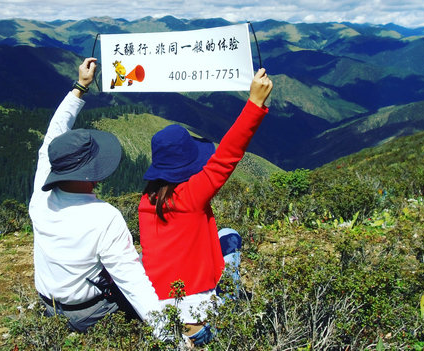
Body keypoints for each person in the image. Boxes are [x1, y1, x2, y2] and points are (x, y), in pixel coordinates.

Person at [138, 67, 273, 345]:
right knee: (230, 239)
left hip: (161, 320)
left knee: (222, 238)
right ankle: (231, 307)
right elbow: (228, 155)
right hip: (200, 326)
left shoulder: (147, 200)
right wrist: (255, 104)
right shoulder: (192, 195)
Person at [29, 57, 162, 333]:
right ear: (91, 173)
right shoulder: (104, 217)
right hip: (88, 313)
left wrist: (80, 87)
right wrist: (170, 334)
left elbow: (53, 136)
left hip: (48, 304)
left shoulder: (41, 194)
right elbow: (132, 282)